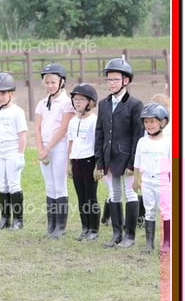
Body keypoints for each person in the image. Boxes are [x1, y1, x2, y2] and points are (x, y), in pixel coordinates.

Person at [94, 57, 144, 248]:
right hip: (109, 157)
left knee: (130, 194)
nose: (111, 83)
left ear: (126, 80)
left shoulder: (135, 104)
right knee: (114, 194)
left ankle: (129, 235)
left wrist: (133, 163)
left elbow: (138, 136)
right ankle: (117, 233)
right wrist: (100, 161)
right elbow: (99, 133)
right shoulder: (103, 104)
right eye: (109, 79)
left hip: (127, 157)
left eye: (115, 79)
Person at [34, 63, 75, 238]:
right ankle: (51, 224)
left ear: (61, 82)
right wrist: (40, 149)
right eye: (47, 82)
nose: (50, 85)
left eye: (53, 82)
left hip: (59, 147)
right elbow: (37, 128)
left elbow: (63, 128)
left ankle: (60, 225)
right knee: (49, 186)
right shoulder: (42, 103)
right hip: (44, 148)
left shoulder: (67, 103)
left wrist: (48, 148)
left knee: (59, 185)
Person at [0, 72, 27, 231]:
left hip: (12, 152)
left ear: (11, 93)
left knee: (13, 184)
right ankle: (5, 219)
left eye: (2, 93)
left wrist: (20, 155)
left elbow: (22, 135)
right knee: (2, 185)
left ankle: (18, 220)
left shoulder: (17, 112)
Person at [133, 103, 171, 254]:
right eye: (146, 122)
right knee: (149, 210)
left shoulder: (168, 141)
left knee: (166, 211)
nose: (149, 125)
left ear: (163, 122)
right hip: (147, 180)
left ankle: (167, 242)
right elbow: (137, 162)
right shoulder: (142, 141)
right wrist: (136, 179)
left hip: (164, 181)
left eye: (152, 121)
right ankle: (149, 243)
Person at [67, 83, 100, 241]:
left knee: (90, 196)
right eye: (75, 99)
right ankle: (85, 227)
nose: (77, 102)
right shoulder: (73, 121)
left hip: (89, 161)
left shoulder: (94, 121)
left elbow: (98, 144)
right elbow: (71, 142)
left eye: (81, 99)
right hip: (76, 161)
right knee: (81, 197)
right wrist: (69, 163)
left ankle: (93, 229)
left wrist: (98, 165)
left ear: (90, 102)